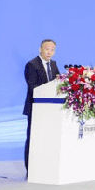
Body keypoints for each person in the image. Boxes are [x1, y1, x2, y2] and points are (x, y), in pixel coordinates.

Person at [23, 39, 60, 173]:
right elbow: (33, 87)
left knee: (47, 139)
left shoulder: (53, 64)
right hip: (36, 108)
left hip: (51, 109)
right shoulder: (31, 64)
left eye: (52, 50)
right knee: (33, 139)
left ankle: (45, 168)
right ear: (40, 49)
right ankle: (30, 170)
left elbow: (58, 83)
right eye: (47, 49)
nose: (49, 52)